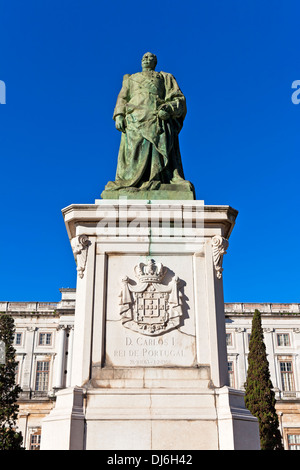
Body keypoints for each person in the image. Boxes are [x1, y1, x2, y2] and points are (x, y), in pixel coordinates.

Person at [104, 52, 190, 191]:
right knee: (135, 152)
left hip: (157, 118)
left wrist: (168, 108)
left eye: (150, 57)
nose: (146, 59)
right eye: (144, 57)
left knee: (157, 150)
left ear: (155, 61)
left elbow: (178, 98)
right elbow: (122, 97)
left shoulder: (165, 77)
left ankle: (157, 179)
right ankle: (133, 181)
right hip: (134, 119)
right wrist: (119, 114)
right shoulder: (131, 78)